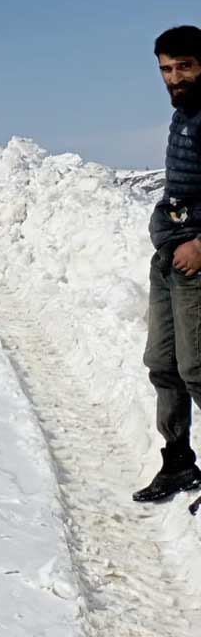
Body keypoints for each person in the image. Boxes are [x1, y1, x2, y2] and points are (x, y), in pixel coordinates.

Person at [136, 25, 201, 502]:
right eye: (165, 69)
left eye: (183, 67)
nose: (173, 78)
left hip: (195, 258)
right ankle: (178, 462)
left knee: (198, 368)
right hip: (170, 252)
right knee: (164, 363)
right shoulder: (184, 114)